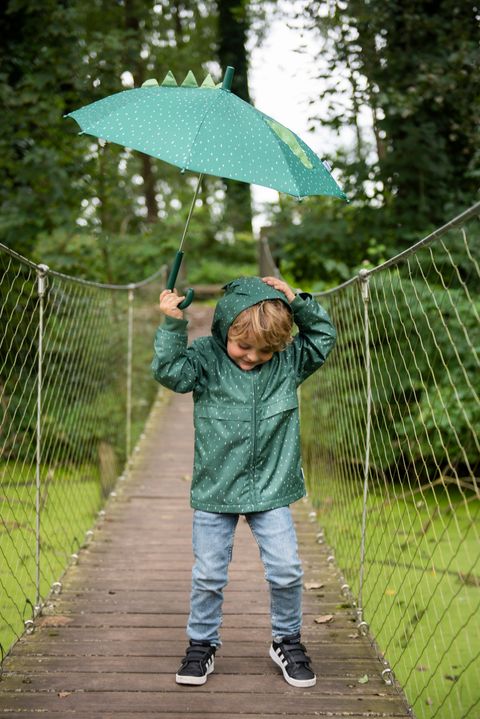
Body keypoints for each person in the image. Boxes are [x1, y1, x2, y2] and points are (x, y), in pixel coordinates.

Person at [151, 276, 336, 688]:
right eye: (244, 346)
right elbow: (170, 373)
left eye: (266, 350)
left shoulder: (288, 362)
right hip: (217, 489)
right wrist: (172, 325)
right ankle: (202, 644)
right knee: (209, 575)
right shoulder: (206, 357)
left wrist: (296, 301)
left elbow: (322, 336)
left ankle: (286, 639)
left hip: (272, 489)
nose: (253, 357)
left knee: (287, 570)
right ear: (224, 328)